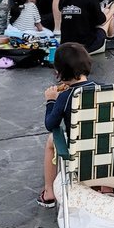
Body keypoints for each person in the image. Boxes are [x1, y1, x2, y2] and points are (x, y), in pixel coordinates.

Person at [38, 42, 97, 207]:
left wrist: (51, 101)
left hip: (78, 152)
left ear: (59, 72)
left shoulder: (66, 97)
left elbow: (51, 124)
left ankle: (49, 192)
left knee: (51, 140)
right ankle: (105, 187)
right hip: (104, 150)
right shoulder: (103, 88)